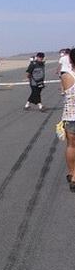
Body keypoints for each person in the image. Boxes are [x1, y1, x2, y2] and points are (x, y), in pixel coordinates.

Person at [61, 49, 75, 192]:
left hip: (71, 116)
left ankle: (73, 175)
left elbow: (64, 91)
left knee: (71, 146)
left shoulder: (66, 76)